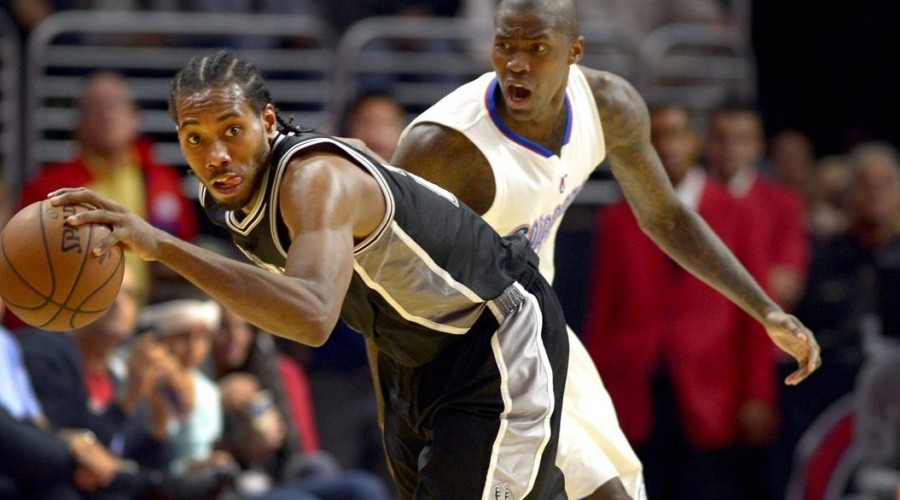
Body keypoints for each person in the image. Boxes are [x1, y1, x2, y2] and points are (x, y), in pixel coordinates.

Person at [49, 49, 572, 499]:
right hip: (418, 354)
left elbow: (313, 315)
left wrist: (164, 247)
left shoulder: (314, 179)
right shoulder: (227, 196)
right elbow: (367, 295)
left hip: (494, 332)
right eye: (195, 138)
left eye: (232, 130)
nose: (217, 155)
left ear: (268, 121)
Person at [391, 1, 821, 498]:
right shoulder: (441, 149)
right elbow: (387, 297)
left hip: (542, 335)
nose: (516, 63)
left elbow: (666, 216)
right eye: (505, 44)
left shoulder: (609, 105)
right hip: (464, 354)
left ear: (575, 52)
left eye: (537, 48)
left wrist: (765, 311)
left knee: (624, 488)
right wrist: (401, 433)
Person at [583, 103, 778, 499]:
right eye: (655, 137)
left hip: (712, 388)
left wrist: (758, 393)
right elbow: (603, 311)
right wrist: (591, 396)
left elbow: (757, 310)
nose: (666, 146)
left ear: (696, 141)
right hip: (637, 386)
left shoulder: (736, 213)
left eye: (675, 134)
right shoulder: (619, 219)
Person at [17, 70, 199, 304]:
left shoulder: (163, 180)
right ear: (78, 123)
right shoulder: (48, 188)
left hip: (150, 316)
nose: (106, 115)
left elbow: (186, 249)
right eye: (94, 107)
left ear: (135, 118)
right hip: (74, 318)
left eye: (114, 105)